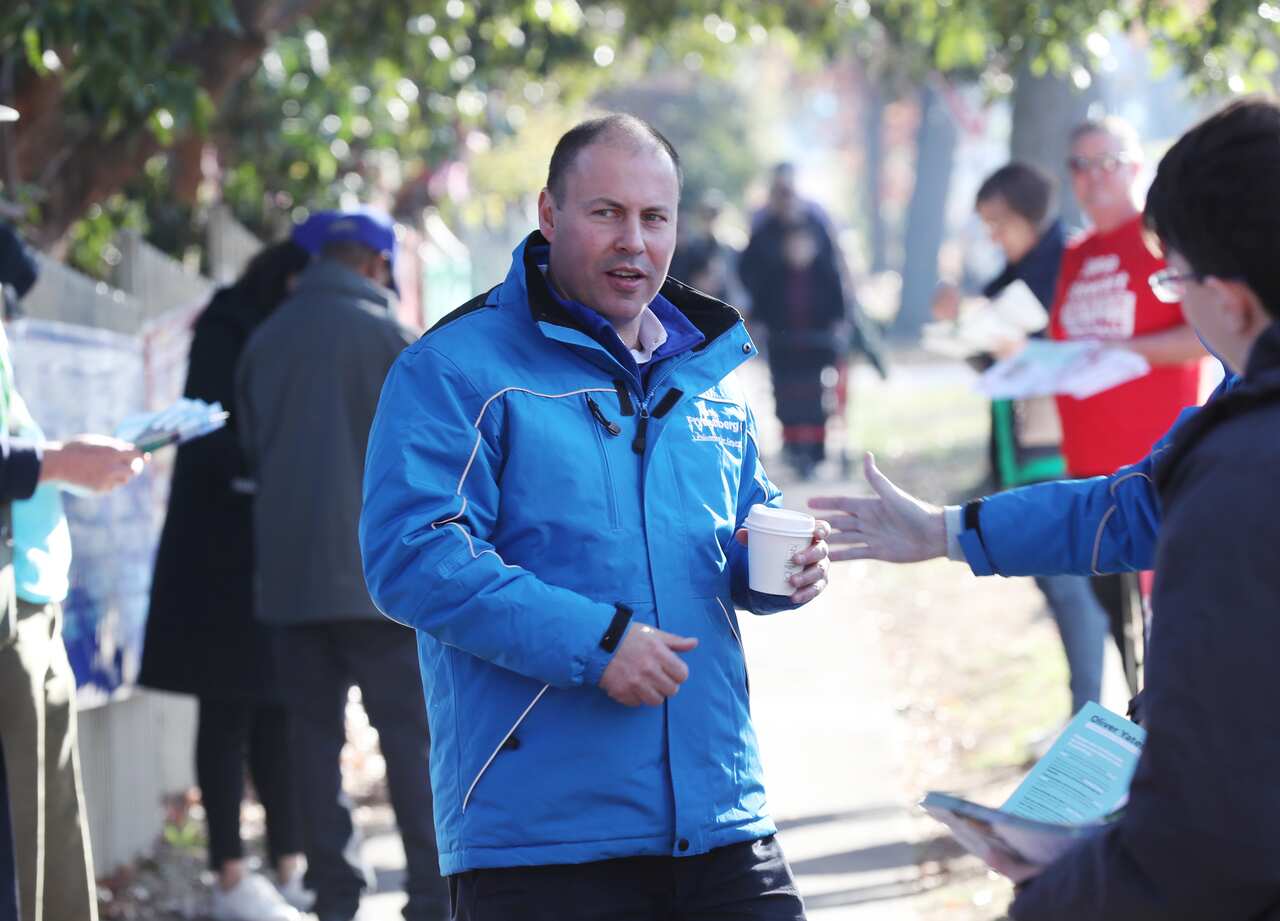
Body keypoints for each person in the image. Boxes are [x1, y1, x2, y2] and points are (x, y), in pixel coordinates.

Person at [360, 114, 831, 921]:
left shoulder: (710, 372)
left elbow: (745, 518)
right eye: (606, 213)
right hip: (544, 838)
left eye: (655, 218)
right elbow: (411, 555)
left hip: (721, 813)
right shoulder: (455, 367)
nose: (634, 242)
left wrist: (779, 563)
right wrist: (597, 643)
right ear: (549, 214)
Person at [1002, 94, 1280, 920]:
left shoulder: (1237, 471)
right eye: (1076, 164)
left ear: (1228, 300)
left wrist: (1047, 897)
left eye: (1177, 279)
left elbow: (1207, 818)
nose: (1088, 179)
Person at [235, 209, 447, 921]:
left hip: (292, 582)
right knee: (411, 744)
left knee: (312, 745)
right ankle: (430, 893)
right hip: (384, 583)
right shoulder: (396, 339)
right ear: (375, 265)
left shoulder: (266, 341)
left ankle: (336, 895)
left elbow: (251, 450)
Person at [140, 240, 312, 921]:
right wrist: (266, 465)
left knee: (278, 707)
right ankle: (229, 871)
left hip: (267, 549)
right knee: (227, 711)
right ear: (287, 276)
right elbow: (203, 427)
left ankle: (291, 863)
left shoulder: (277, 323)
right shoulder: (228, 324)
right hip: (218, 556)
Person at [0, 210, 145, 921]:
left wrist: (59, 458)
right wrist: (58, 462)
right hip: (11, 612)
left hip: (33, 593)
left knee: (50, 840)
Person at [1049, 117, 1205, 688]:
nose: (1094, 178)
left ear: (1137, 165)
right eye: (1080, 166)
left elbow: (1202, 334)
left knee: (1167, 631)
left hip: (1159, 466)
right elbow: (1069, 346)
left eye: (1107, 161)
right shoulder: (1076, 252)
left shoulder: (1164, 238)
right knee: (1122, 633)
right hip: (1090, 468)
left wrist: (1126, 348)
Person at [948, 163, 1110, 716]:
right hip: (1021, 443)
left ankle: (1088, 712)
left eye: (998, 222)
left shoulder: (1071, 264)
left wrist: (1021, 345)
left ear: (1027, 215)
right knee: (1053, 581)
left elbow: (1077, 352)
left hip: (1060, 445)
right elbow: (989, 357)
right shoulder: (1013, 274)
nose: (993, 235)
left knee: (1067, 580)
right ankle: (1082, 711)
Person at [739, 163, 852, 477]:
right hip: (780, 327)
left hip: (816, 327)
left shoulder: (816, 222)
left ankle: (816, 451)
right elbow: (749, 272)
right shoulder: (764, 228)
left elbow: (834, 273)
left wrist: (839, 316)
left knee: (815, 391)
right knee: (784, 389)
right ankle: (793, 447)